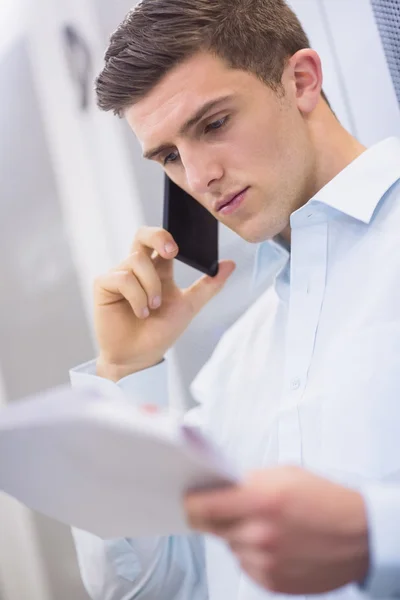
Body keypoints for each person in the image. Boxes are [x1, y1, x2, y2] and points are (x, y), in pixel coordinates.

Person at [69, 0, 400, 599]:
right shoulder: (233, 366)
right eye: (169, 156)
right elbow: (145, 588)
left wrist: (376, 534)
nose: (197, 177)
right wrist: (122, 373)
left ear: (301, 81)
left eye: (213, 124)